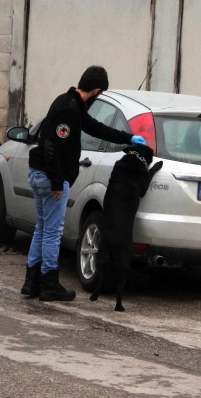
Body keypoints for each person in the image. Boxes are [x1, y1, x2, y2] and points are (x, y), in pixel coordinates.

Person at [20, 65, 147, 302]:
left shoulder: (69, 103)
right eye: (99, 95)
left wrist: (128, 138)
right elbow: (53, 147)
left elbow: (95, 128)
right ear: (97, 90)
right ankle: (49, 283)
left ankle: (31, 282)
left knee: (42, 228)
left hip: (39, 173)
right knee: (52, 232)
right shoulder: (70, 110)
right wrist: (58, 182)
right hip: (50, 176)